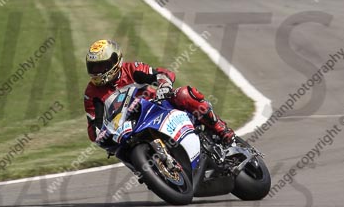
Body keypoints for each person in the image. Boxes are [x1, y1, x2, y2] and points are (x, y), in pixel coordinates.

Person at [83, 39, 235, 149]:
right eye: (93, 67)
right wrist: (99, 135)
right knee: (118, 149)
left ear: (115, 61)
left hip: (156, 107)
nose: (97, 72)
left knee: (183, 94)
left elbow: (163, 74)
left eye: (102, 66)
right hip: (127, 128)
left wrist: (164, 87)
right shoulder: (91, 93)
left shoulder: (131, 69)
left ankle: (219, 127)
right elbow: (93, 125)